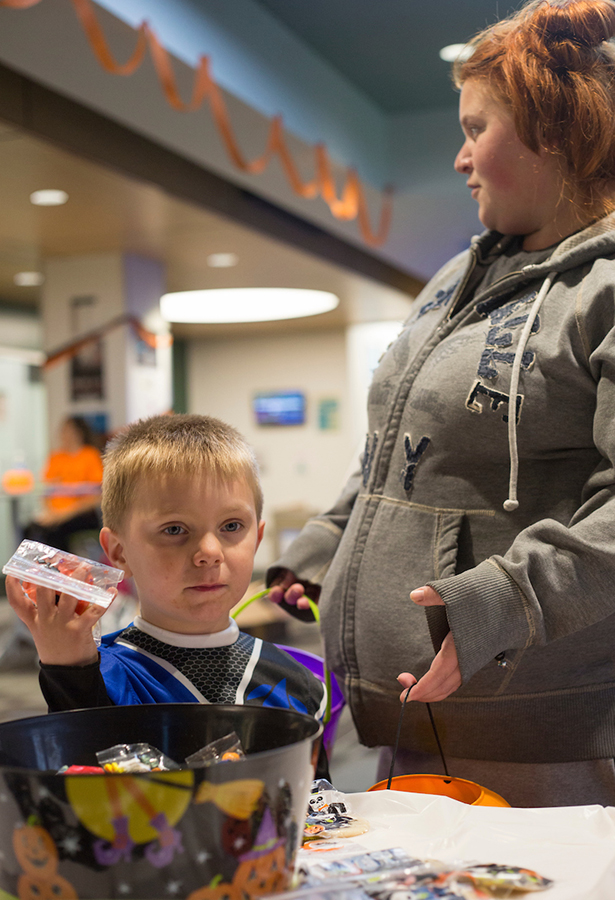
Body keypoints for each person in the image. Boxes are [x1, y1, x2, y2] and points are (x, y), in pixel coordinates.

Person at [267, 0, 615, 807]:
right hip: (412, 729)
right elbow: (395, 445)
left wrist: (504, 598)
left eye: (475, 128)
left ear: (551, 132)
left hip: (545, 751)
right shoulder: (452, 279)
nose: (458, 159)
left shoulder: (604, 288)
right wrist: (328, 546)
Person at [6, 414, 327, 728]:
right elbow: (82, 769)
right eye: (174, 529)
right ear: (119, 552)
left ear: (256, 539)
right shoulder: (99, 676)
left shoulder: (299, 687)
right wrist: (67, 667)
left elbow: (316, 783)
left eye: (231, 526)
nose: (210, 553)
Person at [24, 416, 103, 552]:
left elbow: (96, 494)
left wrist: (64, 514)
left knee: (57, 532)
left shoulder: (90, 456)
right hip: (55, 513)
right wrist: (52, 513)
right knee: (29, 529)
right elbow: (47, 490)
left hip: (80, 513)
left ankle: (62, 569)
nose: (64, 435)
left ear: (79, 433)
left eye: (68, 431)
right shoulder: (56, 457)